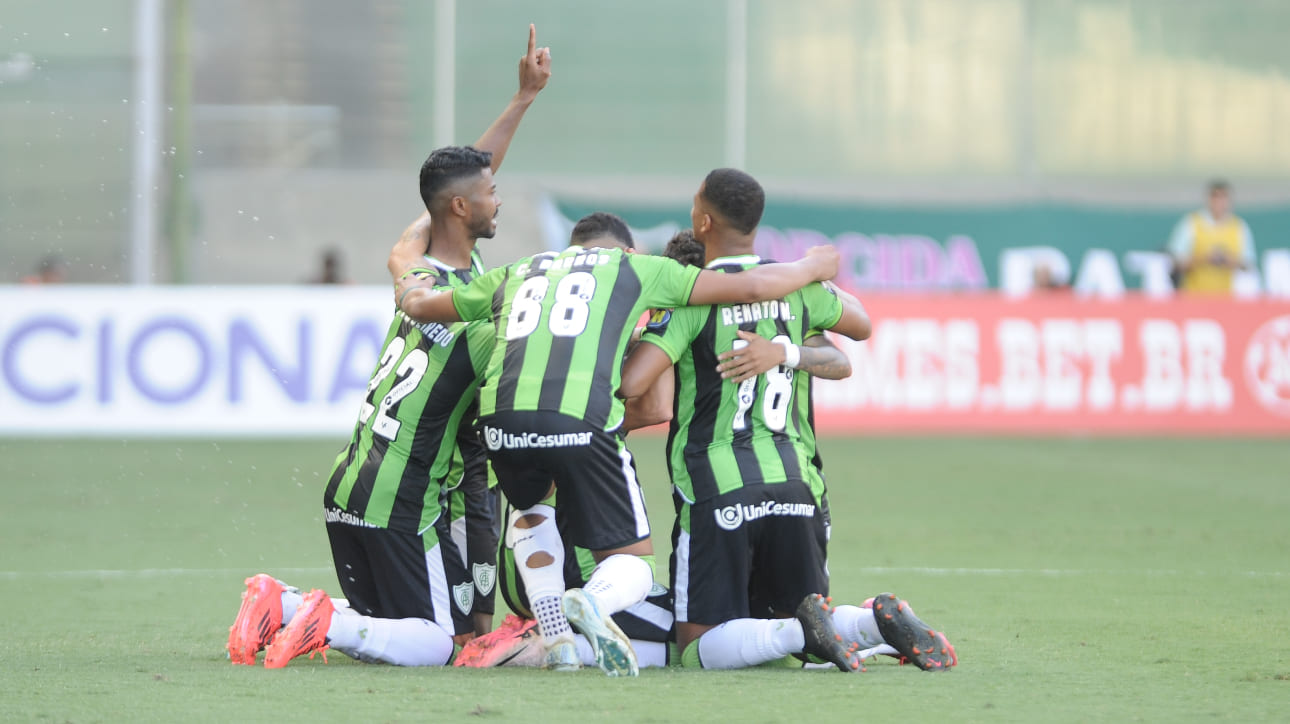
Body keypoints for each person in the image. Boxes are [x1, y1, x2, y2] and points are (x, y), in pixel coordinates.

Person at [396, 197, 840, 677]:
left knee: (532, 509)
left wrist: (406, 267)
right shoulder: (636, 271)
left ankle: (555, 634)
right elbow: (664, 392)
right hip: (580, 429)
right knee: (652, 587)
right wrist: (810, 265)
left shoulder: (521, 270)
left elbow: (421, 305)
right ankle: (585, 607)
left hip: (500, 424)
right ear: (627, 252)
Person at [225, 24, 552, 669]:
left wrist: (522, 100)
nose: (499, 197)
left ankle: (281, 604)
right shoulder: (484, 316)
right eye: (489, 195)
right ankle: (321, 620)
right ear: (461, 208)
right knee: (434, 646)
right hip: (403, 504)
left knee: (391, 632)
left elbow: (454, 190)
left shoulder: (413, 268)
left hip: (348, 486)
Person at [618, 168, 956, 672]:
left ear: (703, 220)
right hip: (797, 484)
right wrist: (787, 348)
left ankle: (801, 631)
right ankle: (868, 625)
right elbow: (860, 325)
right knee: (789, 614)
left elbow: (633, 385)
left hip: (719, 486)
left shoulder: (692, 295)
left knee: (696, 646)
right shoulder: (796, 288)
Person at [1168, 179, 1256, 295]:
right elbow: (1175, 262)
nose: (1219, 202)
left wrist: (1229, 260)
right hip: (1193, 297)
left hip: (1225, 298)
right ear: (1208, 199)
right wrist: (1204, 258)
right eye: (1215, 197)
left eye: (1223, 197)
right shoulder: (1191, 223)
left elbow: (1248, 264)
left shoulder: (1239, 227)